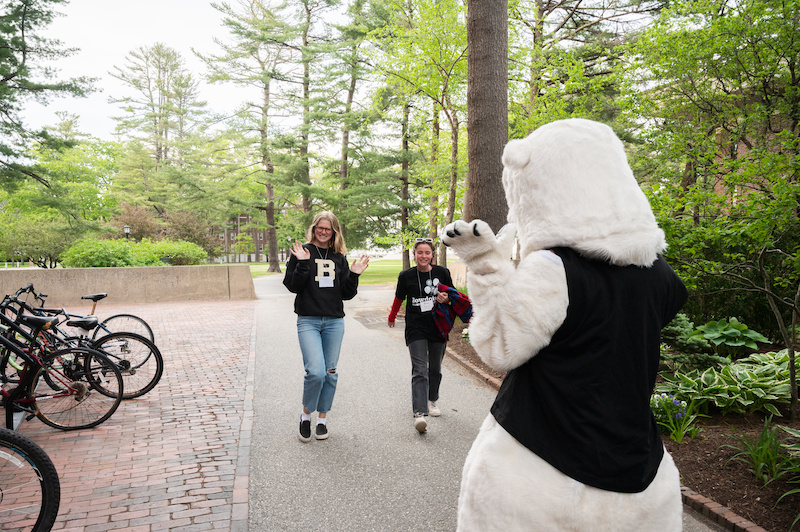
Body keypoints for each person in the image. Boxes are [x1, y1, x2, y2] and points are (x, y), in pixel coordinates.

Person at [283, 211, 369, 443]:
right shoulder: (303, 252)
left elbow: (346, 294)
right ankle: (305, 415)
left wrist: (354, 274)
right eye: (320, 227)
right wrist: (301, 262)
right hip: (308, 320)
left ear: (334, 232)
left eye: (328, 229)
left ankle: (321, 419)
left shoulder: (339, 258)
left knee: (330, 372)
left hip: (333, 322)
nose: (323, 232)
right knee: (315, 371)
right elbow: (292, 286)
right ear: (314, 228)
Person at [388, 238, 454, 433]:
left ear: (432, 255)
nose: (423, 256)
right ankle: (419, 413)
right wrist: (392, 316)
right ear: (414, 254)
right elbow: (399, 298)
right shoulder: (406, 276)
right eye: (420, 253)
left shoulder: (442, 273)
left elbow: (453, 295)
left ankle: (432, 400)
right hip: (416, 327)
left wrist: (446, 298)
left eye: (427, 253)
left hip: (438, 326)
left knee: (435, 368)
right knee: (419, 369)